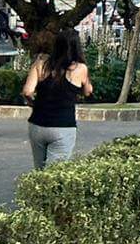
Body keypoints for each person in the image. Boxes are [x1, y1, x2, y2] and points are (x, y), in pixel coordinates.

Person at [21, 28, 92, 168]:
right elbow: (88, 91)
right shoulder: (80, 68)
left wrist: (34, 104)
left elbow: (27, 91)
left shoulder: (40, 65)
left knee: (39, 170)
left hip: (37, 124)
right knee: (54, 174)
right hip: (63, 126)